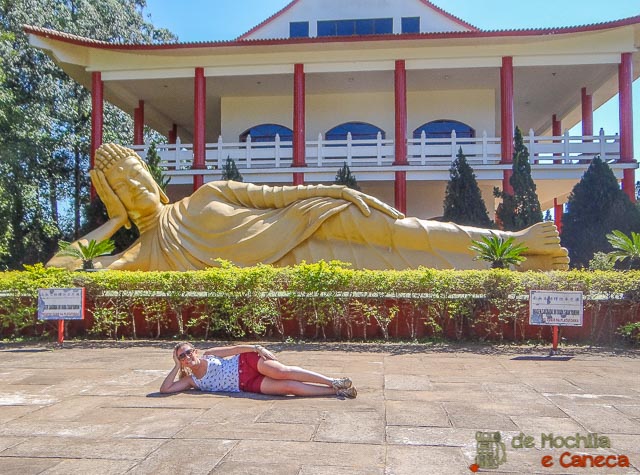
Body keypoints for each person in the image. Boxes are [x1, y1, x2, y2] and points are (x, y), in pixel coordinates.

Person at [46, 143, 569, 272]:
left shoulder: (205, 195)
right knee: (405, 263)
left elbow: (276, 196)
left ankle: (515, 244)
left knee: (411, 232)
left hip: (309, 216)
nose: (135, 188)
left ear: (155, 180)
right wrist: (114, 221)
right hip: (298, 259)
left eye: (138, 176)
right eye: (122, 187)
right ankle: (511, 263)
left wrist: (339, 192)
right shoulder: (142, 254)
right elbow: (61, 274)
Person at [159, 342, 357, 398]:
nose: (187, 357)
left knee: (283, 372)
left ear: (195, 351)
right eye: (181, 357)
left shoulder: (209, 354)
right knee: (288, 388)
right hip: (246, 384)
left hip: (246, 362)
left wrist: (257, 348)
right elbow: (165, 390)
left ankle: (332, 380)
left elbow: (235, 349)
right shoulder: (193, 381)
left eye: (187, 352)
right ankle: (337, 391)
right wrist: (175, 366)